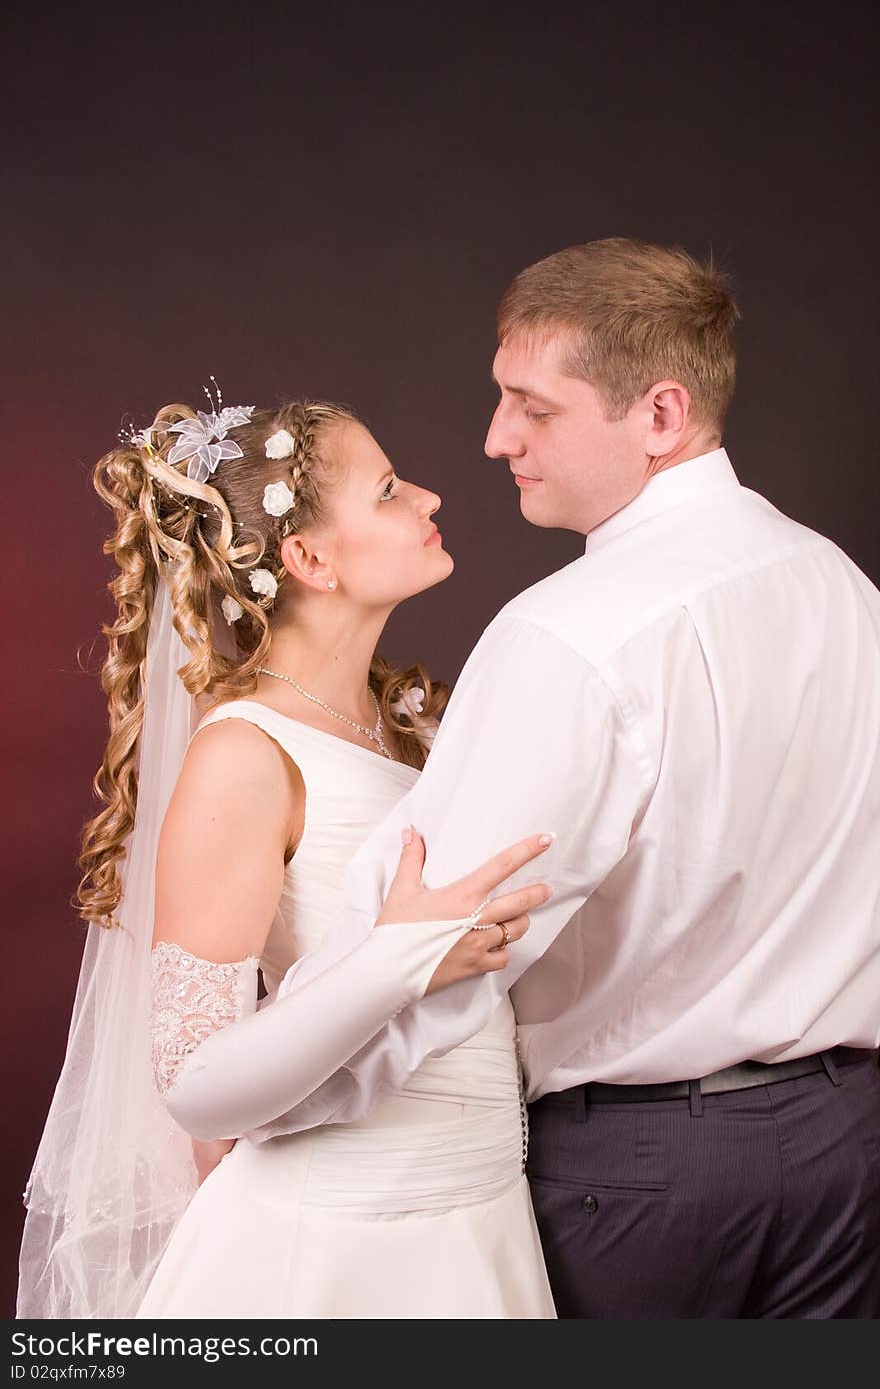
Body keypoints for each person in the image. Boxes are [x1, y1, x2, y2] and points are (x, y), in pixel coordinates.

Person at [237, 239, 880, 1318]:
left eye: (531, 407)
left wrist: (278, 1117)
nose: (495, 440)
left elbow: (437, 942)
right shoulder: (844, 589)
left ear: (661, 415)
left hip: (643, 1181)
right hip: (846, 1151)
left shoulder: (567, 636)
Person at [18, 392, 556, 1319]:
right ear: (308, 557)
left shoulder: (413, 729)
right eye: (389, 490)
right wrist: (403, 956)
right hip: (335, 1249)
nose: (429, 497)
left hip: (481, 1223)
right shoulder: (245, 755)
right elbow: (197, 1089)